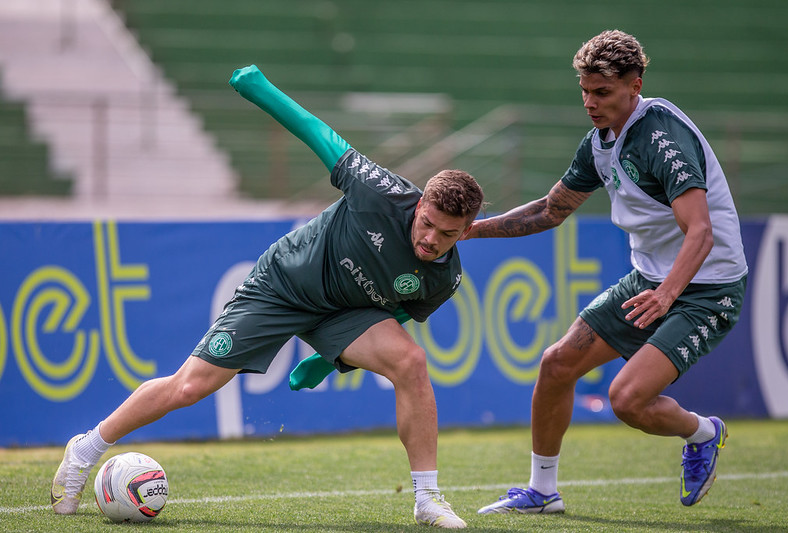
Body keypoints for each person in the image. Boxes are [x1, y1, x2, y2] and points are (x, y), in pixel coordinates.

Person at [50, 64, 484, 529]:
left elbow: (397, 310)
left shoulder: (445, 276)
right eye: (427, 224)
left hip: (345, 311)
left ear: (467, 231)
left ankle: (428, 499)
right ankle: (84, 451)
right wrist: (258, 88)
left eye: (448, 234)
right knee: (190, 386)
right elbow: (318, 131)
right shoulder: (377, 190)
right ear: (419, 205)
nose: (432, 240)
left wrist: (328, 360)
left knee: (412, 363)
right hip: (283, 286)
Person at [471, 30, 747, 514]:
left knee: (627, 401)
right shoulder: (599, 142)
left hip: (707, 288)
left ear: (635, 85)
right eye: (584, 91)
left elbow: (700, 232)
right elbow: (551, 211)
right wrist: (472, 231)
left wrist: (666, 295)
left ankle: (704, 433)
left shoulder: (662, 137)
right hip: (649, 280)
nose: (590, 103)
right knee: (557, 363)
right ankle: (542, 490)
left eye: (602, 92)